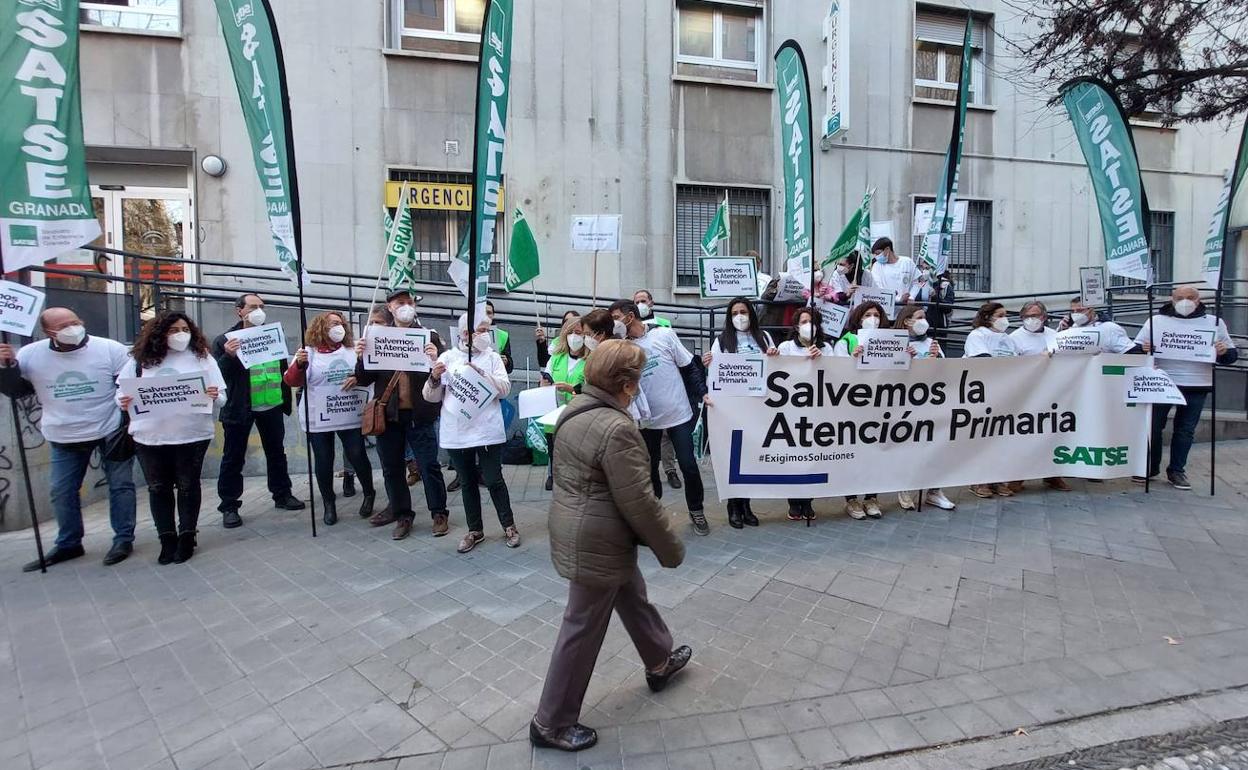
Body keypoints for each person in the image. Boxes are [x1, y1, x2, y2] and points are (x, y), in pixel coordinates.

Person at [531, 339, 690, 752]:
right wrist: (670, 548)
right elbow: (638, 501)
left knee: (631, 595)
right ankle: (551, 722)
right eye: (638, 377)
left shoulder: (575, 410)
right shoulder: (616, 428)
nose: (640, 384)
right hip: (598, 539)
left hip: (585, 530)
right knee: (581, 627)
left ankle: (659, 660)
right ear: (626, 384)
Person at [0, 309, 136, 571]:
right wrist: (7, 368)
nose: (72, 328)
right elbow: (15, 391)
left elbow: (129, 384)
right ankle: (69, 542)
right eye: (64, 326)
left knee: (121, 486)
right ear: (48, 332)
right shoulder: (31, 355)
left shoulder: (110, 349)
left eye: (75, 322)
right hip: (63, 434)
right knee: (61, 491)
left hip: (110, 429)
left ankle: (123, 538)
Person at [118, 312, 226, 564]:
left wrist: (213, 395)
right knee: (158, 488)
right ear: (159, 333)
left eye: (184, 329)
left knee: (188, 486)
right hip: (150, 436)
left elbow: (221, 397)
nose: (180, 335)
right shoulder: (140, 361)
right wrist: (122, 401)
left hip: (191, 434)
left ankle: (187, 535)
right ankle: (167, 538)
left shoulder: (202, 358)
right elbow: (122, 391)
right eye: (173, 330)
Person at [609, 300, 709, 535]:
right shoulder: (621, 349)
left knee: (689, 466)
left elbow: (688, 366)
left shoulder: (664, 335)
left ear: (630, 316)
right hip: (647, 420)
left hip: (678, 414)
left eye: (615, 317)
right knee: (649, 469)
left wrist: (702, 392)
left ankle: (697, 511)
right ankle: (654, 516)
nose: (613, 322)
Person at [354, 297, 449, 540]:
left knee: (429, 466)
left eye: (409, 302)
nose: (405, 306)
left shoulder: (428, 336)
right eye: (399, 303)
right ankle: (403, 514)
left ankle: (439, 513)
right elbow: (364, 379)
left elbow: (445, 370)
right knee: (392, 468)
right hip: (389, 415)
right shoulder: (377, 337)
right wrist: (360, 356)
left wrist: (436, 357)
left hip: (420, 414)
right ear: (390, 308)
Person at [424, 314, 520, 552]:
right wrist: (434, 378)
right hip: (457, 432)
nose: (486, 334)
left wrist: (482, 376)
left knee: (494, 479)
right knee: (467, 482)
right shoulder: (447, 358)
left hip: (487, 430)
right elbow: (431, 396)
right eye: (480, 330)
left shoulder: (493, 358)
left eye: (487, 330)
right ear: (465, 333)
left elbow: (504, 389)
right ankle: (474, 530)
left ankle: (509, 525)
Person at [1133, 285, 1238, 490]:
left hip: (1197, 383)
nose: (1185, 301)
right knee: (1153, 427)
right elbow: (1135, 349)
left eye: (1190, 297)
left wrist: (1223, 351)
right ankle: (1150, 467)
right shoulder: (1156, 321)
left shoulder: (1214, 323)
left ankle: (1177, 471)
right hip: (1162, 383)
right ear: (1172, 299)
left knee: (1185, 430)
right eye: (1180, 297)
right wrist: (1143, 349)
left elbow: (1231, 356)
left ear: (1198, 300)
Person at [214, 293, 304, 528]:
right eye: (253, 307)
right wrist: (229, 356)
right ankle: (229, 505)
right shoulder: (224, 340)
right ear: (239, 311)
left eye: (262, 307)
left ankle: (282, 494)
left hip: (271, 404)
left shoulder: (273, 335)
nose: (259, 311)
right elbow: (217, 375)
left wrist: (285, 398)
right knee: (233, 457)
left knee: (276, 452)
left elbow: (282, 367)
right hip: (240, 408)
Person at [284, 311, 376, 526]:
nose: (339, 326)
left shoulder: (352, 351)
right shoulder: (308, 353)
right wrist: (299, 364)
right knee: (324, 459)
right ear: (321, 328)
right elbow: (292, 380)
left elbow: (365, 374)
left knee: (357, 454)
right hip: (320, 416)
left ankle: (369, 493)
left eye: (341, 323)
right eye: (334, 323)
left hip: (349, 413)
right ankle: (328, 503)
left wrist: (357, 377)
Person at [702, 298, 777, 528]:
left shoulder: (763, 337)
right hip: (731, 408)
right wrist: (708, 364)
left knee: (751, 458)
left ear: (751, 314)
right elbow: (714, 374)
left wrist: (776, 356)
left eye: (743, 311)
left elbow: (776, 367)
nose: (740, 316)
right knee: (733, 458)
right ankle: (733, 506)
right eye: (735, 313)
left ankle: (746, 505)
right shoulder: (722, 340)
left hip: (757, 407)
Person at [891, 306, 957, 511]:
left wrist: (935, 359)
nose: (924, 321)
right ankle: (906, 487)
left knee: (934, 447)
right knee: (908, 448)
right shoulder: (894, 343)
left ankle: (934, 490)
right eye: (919, 318)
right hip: (906, 405)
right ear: (906, 322)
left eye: (925, 318)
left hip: (932, 403)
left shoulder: (932, 344)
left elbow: (944, 372)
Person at [776, 306, 835, 522]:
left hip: (817, 413)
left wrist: (823, 361)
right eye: (803, 321)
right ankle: (793, 502)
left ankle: (808, 501)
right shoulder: (785, 347)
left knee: (812, 458)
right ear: (796, 325)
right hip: (791, 412)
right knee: (794, 457)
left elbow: (838, 377)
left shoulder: (827, 348)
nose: (808, 325)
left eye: (812, 321)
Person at [1006, 302, 1070, 493]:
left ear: (1044, 316)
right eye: (1027, 316)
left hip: (1053, 392)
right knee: (1024, 436)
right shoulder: (1014, 338)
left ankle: (1053, 474)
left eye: (1036, 315)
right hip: (1027, 395)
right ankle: (1017, 476)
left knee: (1052, 435)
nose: (1032, 319)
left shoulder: (1055, 336)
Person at [835, 302, 889, 519]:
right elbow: (834, 372)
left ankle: (871, 497)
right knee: (852, 453)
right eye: (868, 314)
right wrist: (851, 359)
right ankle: (852, 500)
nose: (873, 318)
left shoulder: (889, 340)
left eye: (877, 314)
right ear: (858, 318)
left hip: (879, 405)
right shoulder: (847, 341)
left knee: (875, 454)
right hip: (852, 406)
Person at [964, 302, 1019, 498]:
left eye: (1006, 314)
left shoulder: (1008, 339)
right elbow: (984, 361)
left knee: (1000, 439)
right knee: (982, 439)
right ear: (988, 317)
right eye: (1000, 315)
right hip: (983, 394)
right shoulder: (978, 336)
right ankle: (978, 481)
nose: (1005, 319)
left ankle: (997, 480)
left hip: (1005, 394)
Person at [540, 317, 589, 491]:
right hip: (554, 418)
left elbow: (591, 389)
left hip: (578, 418)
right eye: (571, 333)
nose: (574, 337)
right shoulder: (556, 358)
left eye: (579, 333)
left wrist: (572, 389)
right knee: (556, 457)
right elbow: (545, 378)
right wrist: (544, 384)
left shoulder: (590, 360)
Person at [1056, 297, 1134, 353]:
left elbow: (1128, 351)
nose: (1075, 313)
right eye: (1073, 311)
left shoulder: (1109, 328)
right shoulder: (1071, 328)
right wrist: (1062, 332)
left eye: (1080, 310)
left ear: (1091, 310)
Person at [869, 237, 919, 308]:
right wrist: (898, 300)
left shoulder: (907, 262)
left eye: (878, 253)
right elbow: (878, 289)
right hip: (886, 309)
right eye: (875, 255)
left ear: (887, 249)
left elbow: (917, 282)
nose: (877, 257)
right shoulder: (877, 266)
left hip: (905, 309)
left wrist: (912, 297)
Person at [483, 299, 514, 373]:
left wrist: (506, 362)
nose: (486, 316)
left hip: (494, 378)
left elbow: (509, 367)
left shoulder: (503, 335)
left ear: (493, 315)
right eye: (483, 312)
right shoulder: (468, 332)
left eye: (489, 313)